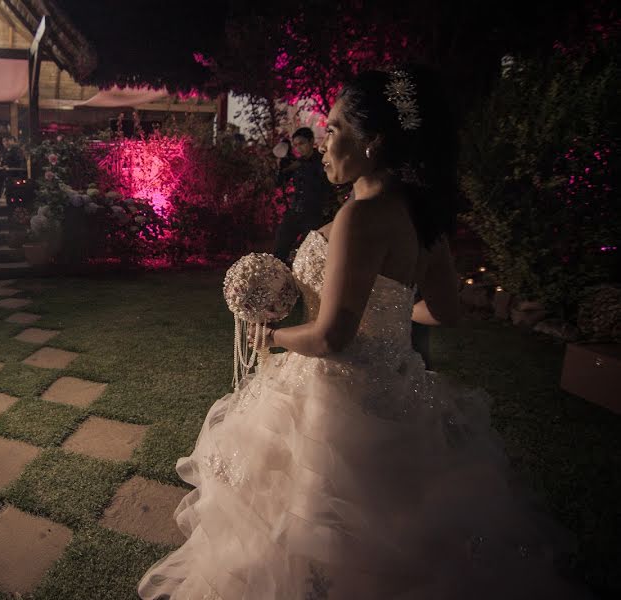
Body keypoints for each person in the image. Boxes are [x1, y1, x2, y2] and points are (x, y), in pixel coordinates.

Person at [139, 68, 583, 599]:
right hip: (400, 392)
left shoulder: (360, 216)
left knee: (312, 532)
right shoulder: (424, 215)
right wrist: (392, 322)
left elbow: (332, 338)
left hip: (334, 403)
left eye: (332, 128)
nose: (322, 142)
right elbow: (444, 311)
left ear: (373, 141)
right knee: (403, 532)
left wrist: (271, 339)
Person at [272, 127, 336, 263]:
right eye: (295, 145)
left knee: (307, 254)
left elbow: (328, 185)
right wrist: (281, 167)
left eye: (301, 143)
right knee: (279, 248)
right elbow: (279, 182)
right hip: (295, 212)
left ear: (311, 141)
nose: (298, 148)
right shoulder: (296, 163)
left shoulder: (322, 161)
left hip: (314, 214)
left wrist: (300, 166)